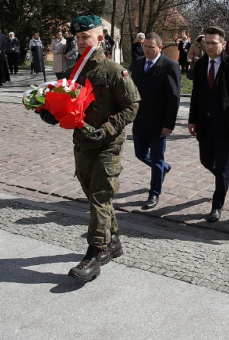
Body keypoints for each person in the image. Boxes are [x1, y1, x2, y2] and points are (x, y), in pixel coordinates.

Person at [37, 15, 140, 283]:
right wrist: (50, 112)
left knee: (100, 197)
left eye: (86, 37)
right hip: (82, 143)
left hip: (108, 144)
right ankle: (113, 240)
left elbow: (132, 106)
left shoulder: (115, 71)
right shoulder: (75, 70)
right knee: (92, 193)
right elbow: (67, 103)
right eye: (78, 37)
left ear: (100, 39)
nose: (81, 41)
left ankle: (94, 255)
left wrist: (106, 130)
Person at [188, 26, 229, 223]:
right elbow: (196, 95)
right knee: (206, 160)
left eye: (213, 43)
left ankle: (217, 206)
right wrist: (192, 119)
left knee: (222, 166)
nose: (209, 46)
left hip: (226, 123)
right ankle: (225, 175)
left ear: (223, 44)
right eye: (206, 42)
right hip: (205, 122)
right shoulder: (200, 65)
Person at [130, 32, 181, 210]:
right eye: (145, 46)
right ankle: (164, 168)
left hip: (159, 122)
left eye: (151, 47)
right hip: (140, 119)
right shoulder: (137, 63)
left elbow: (174, 98)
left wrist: (169, 125)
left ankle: (154, 193)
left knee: (157, 159)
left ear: (160, 47)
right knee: (140, 153)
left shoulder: (169, 66)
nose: (147, 50)